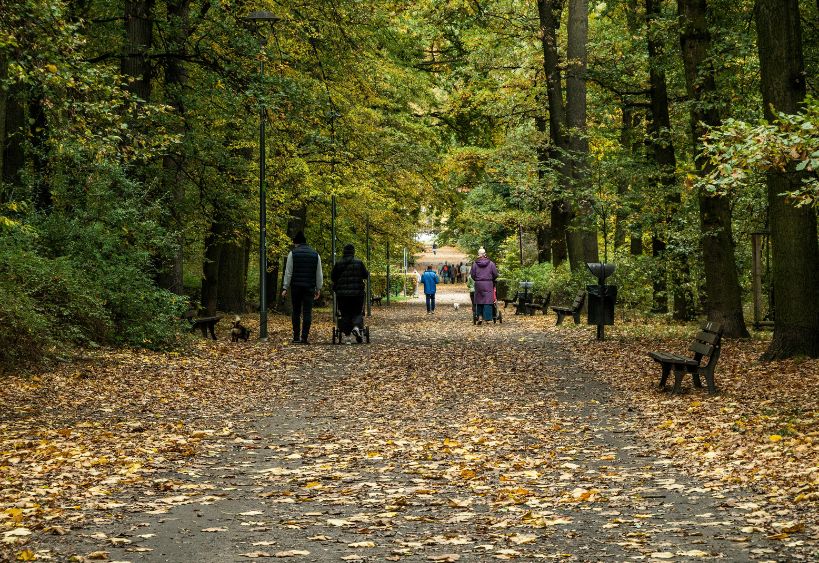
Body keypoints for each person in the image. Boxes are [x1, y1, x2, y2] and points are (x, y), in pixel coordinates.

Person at [282, 231, 323, 344]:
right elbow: (318, 273)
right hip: (309, 287)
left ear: (297, 243)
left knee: (296, 311)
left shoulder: (293, 254)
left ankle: (296, 337)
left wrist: (285, 287)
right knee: (307, 312)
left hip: (296, 287)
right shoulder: (315, 254)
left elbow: (288, 272)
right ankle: (304, 337)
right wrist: (318, 288)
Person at [331, 244, 369, 343]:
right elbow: (365, 275)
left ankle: (347, 334)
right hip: (357, 294)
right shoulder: (359, 262)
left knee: (345, 313)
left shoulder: (338, 263)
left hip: (342, 295)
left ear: (344, 252)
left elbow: (333, 277)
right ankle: (356, 327)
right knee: (357, 312)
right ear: (353, 252)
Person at [470, 247, 498, 325]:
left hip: (478, 284)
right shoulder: (491, 263)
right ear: (485, 254)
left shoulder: (475, 264)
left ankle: (479, 317)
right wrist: (492, 279)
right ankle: (488, 319)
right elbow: (495, 274)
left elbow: (472, 275)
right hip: (488, 284)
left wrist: (477, 279)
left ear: (478, 255)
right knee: (488, 301)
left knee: (479, 300)